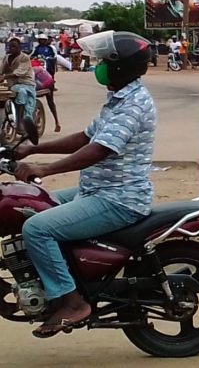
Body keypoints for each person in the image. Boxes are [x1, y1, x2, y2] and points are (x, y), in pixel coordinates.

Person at [12, 31, 155, 338]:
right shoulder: (119, 98)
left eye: (104, 61)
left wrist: (44, 168)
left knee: (36, 228)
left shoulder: (134, 105)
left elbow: (99, 149)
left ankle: (72, 301)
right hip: (97, 191)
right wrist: (32, 148)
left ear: (120, 66)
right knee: (33, 204)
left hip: (119, 199)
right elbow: (86, 137)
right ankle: (63, 279)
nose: (98, 66)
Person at [2, 37, 37, 131]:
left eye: (15, 47)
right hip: (13, 85)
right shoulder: (6, 58)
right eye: (11, 47)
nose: (12, 48)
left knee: (23, 93)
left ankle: (22, 120)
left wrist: (4, 77)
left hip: (27, 83)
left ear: (19, 47)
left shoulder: (24, 58)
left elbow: (19, 72)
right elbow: (1, 69)